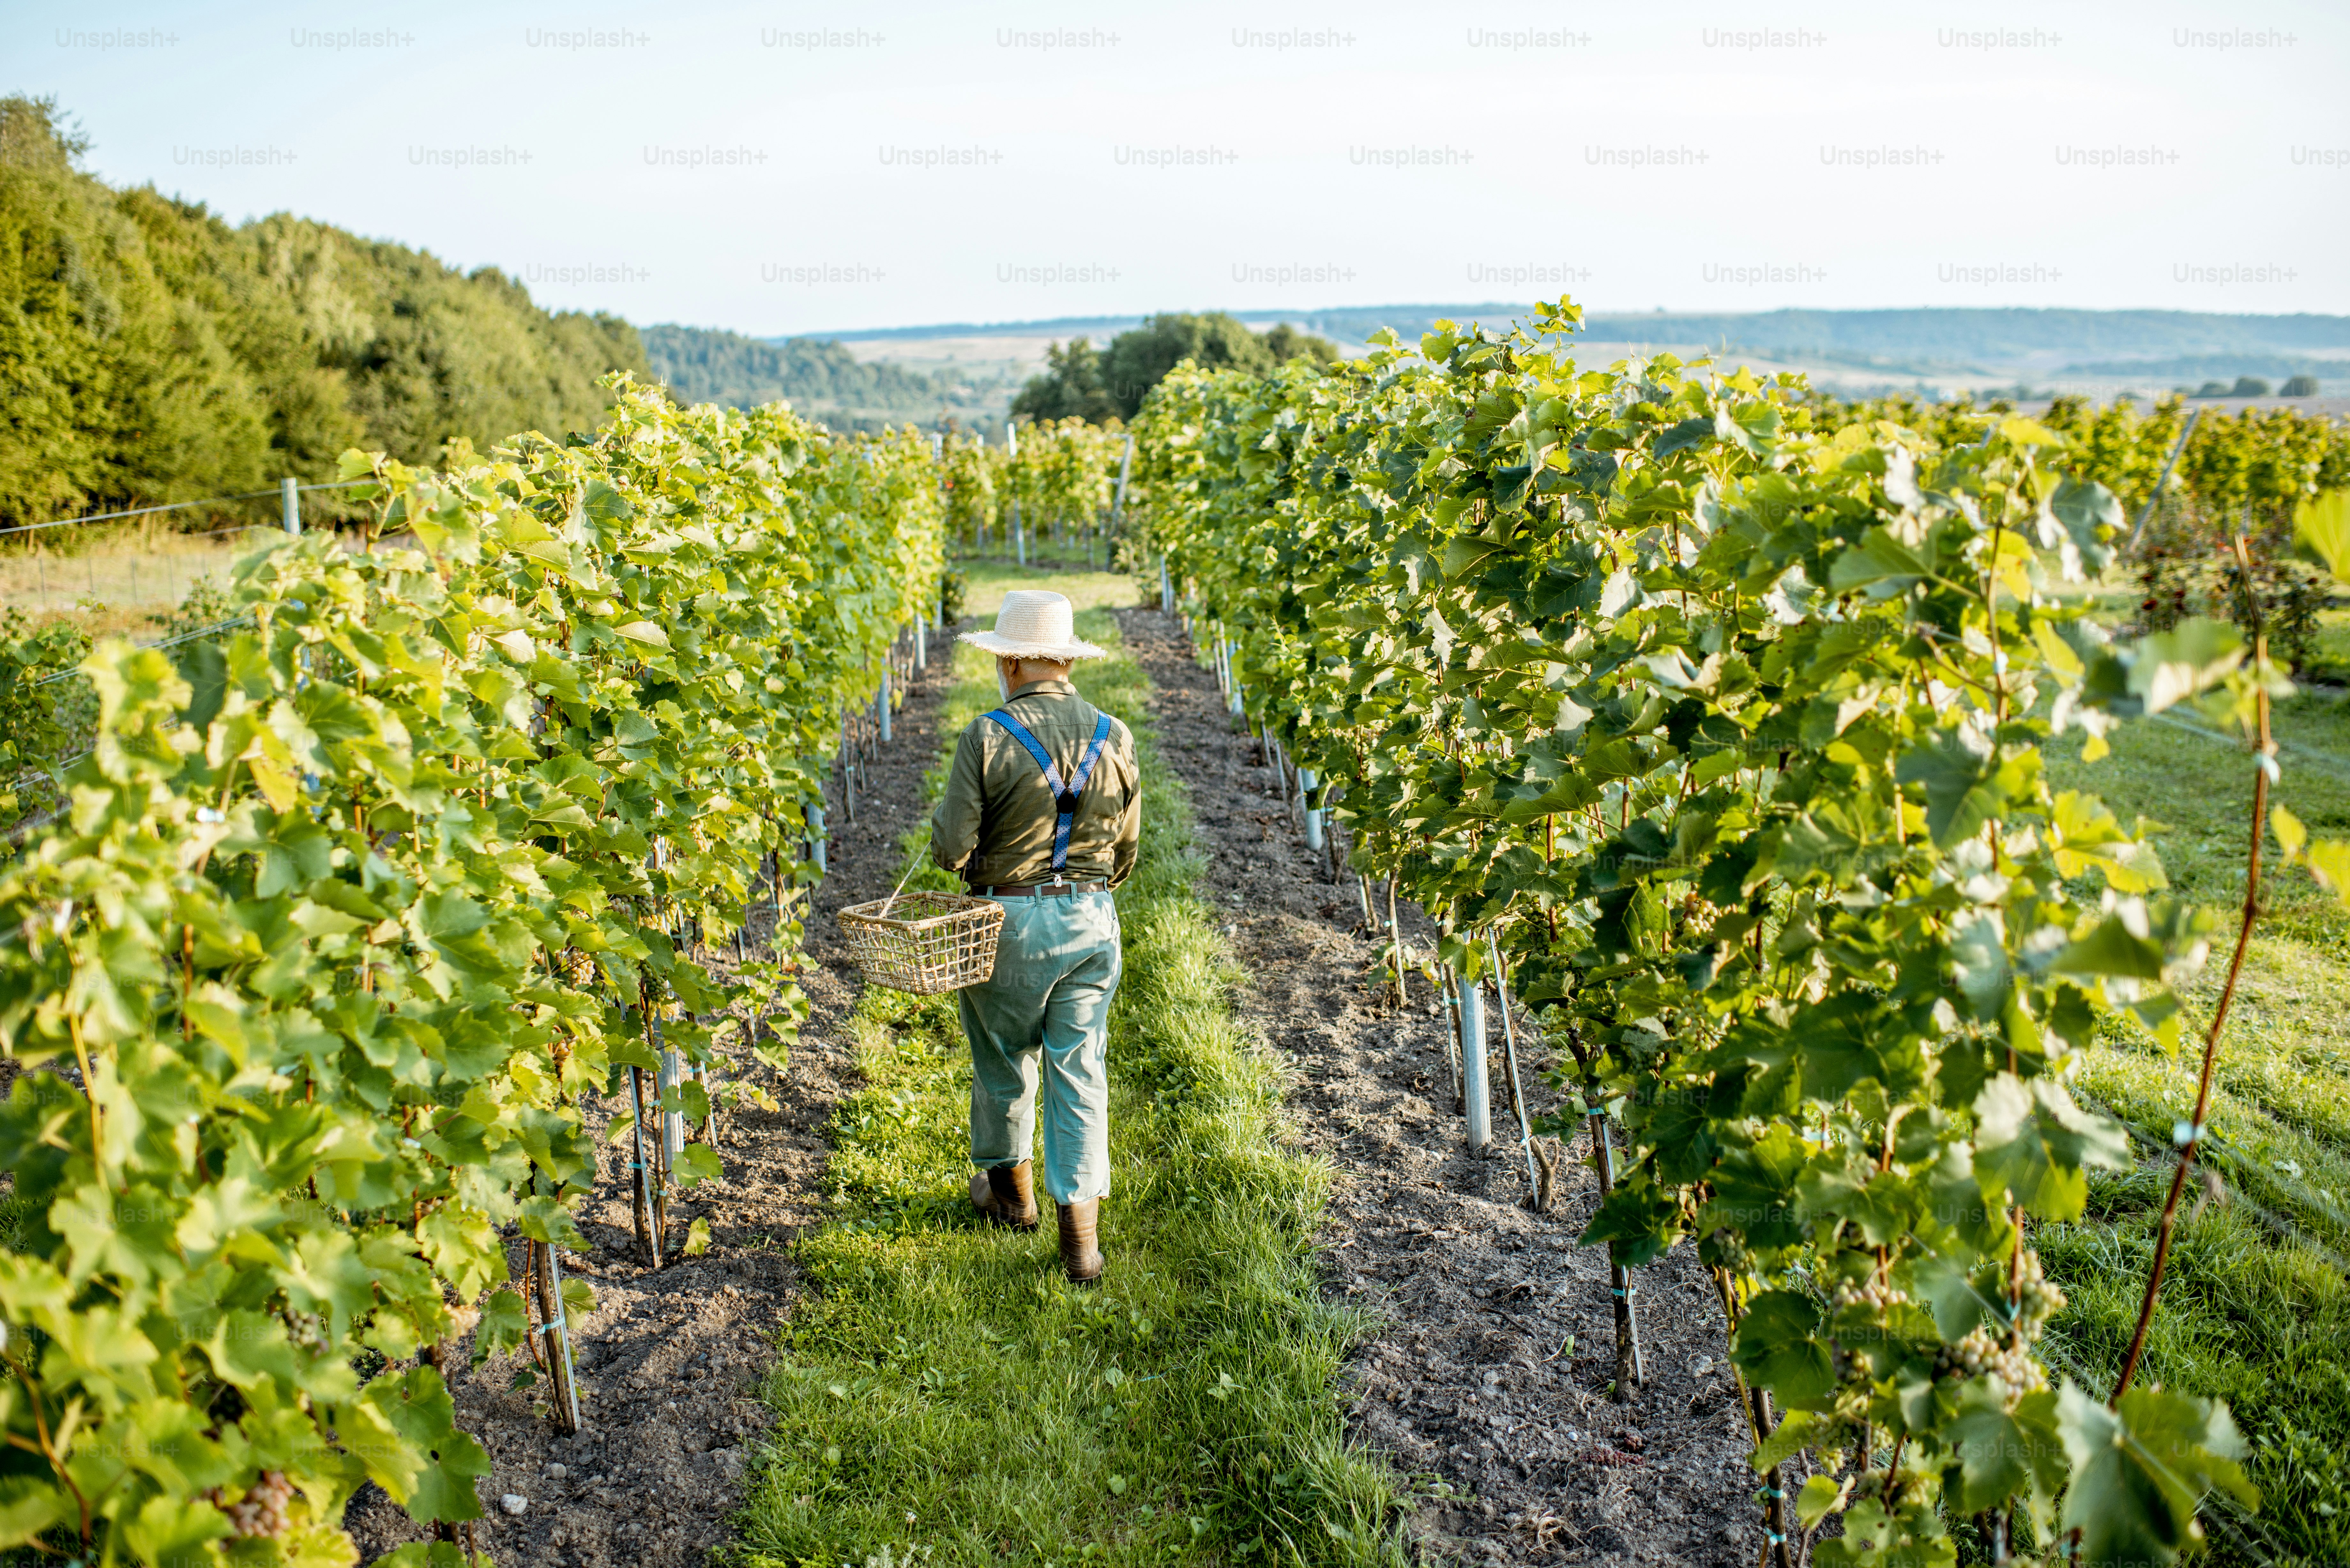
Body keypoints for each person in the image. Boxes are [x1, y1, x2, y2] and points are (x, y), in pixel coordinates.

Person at [931, 589, 1141, 1284]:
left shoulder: (987, 735)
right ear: (1063, 660)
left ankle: (1012, 1197)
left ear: (1015, 662)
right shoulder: (1115, 734)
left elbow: (951, 847)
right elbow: (1125, 854)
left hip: (1006, 923)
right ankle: (1081, 1240)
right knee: (1078, 1070)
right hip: (1088, 920)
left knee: (1000, 1057)